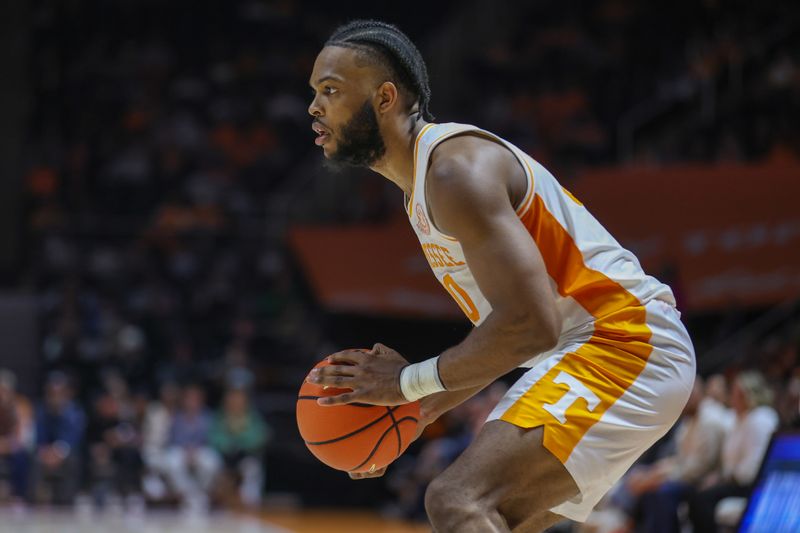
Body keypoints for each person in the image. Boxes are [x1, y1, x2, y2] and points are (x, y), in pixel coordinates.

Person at [305, 20, 696, 532]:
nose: (314, 107)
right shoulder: (421, 190)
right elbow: (507, 336)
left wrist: (406, 383)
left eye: (330, 91)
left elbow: (531, 326)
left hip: (625, 342)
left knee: (457, 501)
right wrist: (416, 409)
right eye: (314, 93)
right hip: (591, 351)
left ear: (384, 98)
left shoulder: (455, 170)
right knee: (492, 518)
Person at [625, 377, 730, 533]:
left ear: (696, 394)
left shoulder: (711, 420)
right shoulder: (689, 421)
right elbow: (680, 459)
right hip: (689, 476)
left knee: (661, 492)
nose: (680, 404)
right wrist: (653, 472)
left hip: (707, 480)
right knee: (648, 489)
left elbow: (699, 468)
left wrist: (659, 478)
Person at [688, 371, 778, 533]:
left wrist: (724, 478)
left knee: (702, 500)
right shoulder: (740, 419)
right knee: (698, 495)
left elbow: (752, 467)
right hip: (734, 479)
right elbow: (729, 460)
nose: (732, 397)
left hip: (751, 483)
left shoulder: (760, 419)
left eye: (737, 393)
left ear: (747, 395)